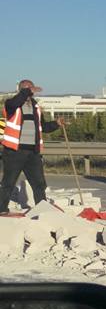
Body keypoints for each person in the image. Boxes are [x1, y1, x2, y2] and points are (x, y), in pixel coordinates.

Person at [0, 80, 63, 214]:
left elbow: (43, 127)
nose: (30, 91)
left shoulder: (36, 107)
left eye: (31, 89)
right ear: (20, 90)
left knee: (39, 184)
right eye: (26, 89)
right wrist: (27, 91)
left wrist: (56, 124)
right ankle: (1, 209)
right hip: (14, 152)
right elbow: (17, 101)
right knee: (8, 183)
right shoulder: (11, 104)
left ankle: (43, 210)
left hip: (32, 153)